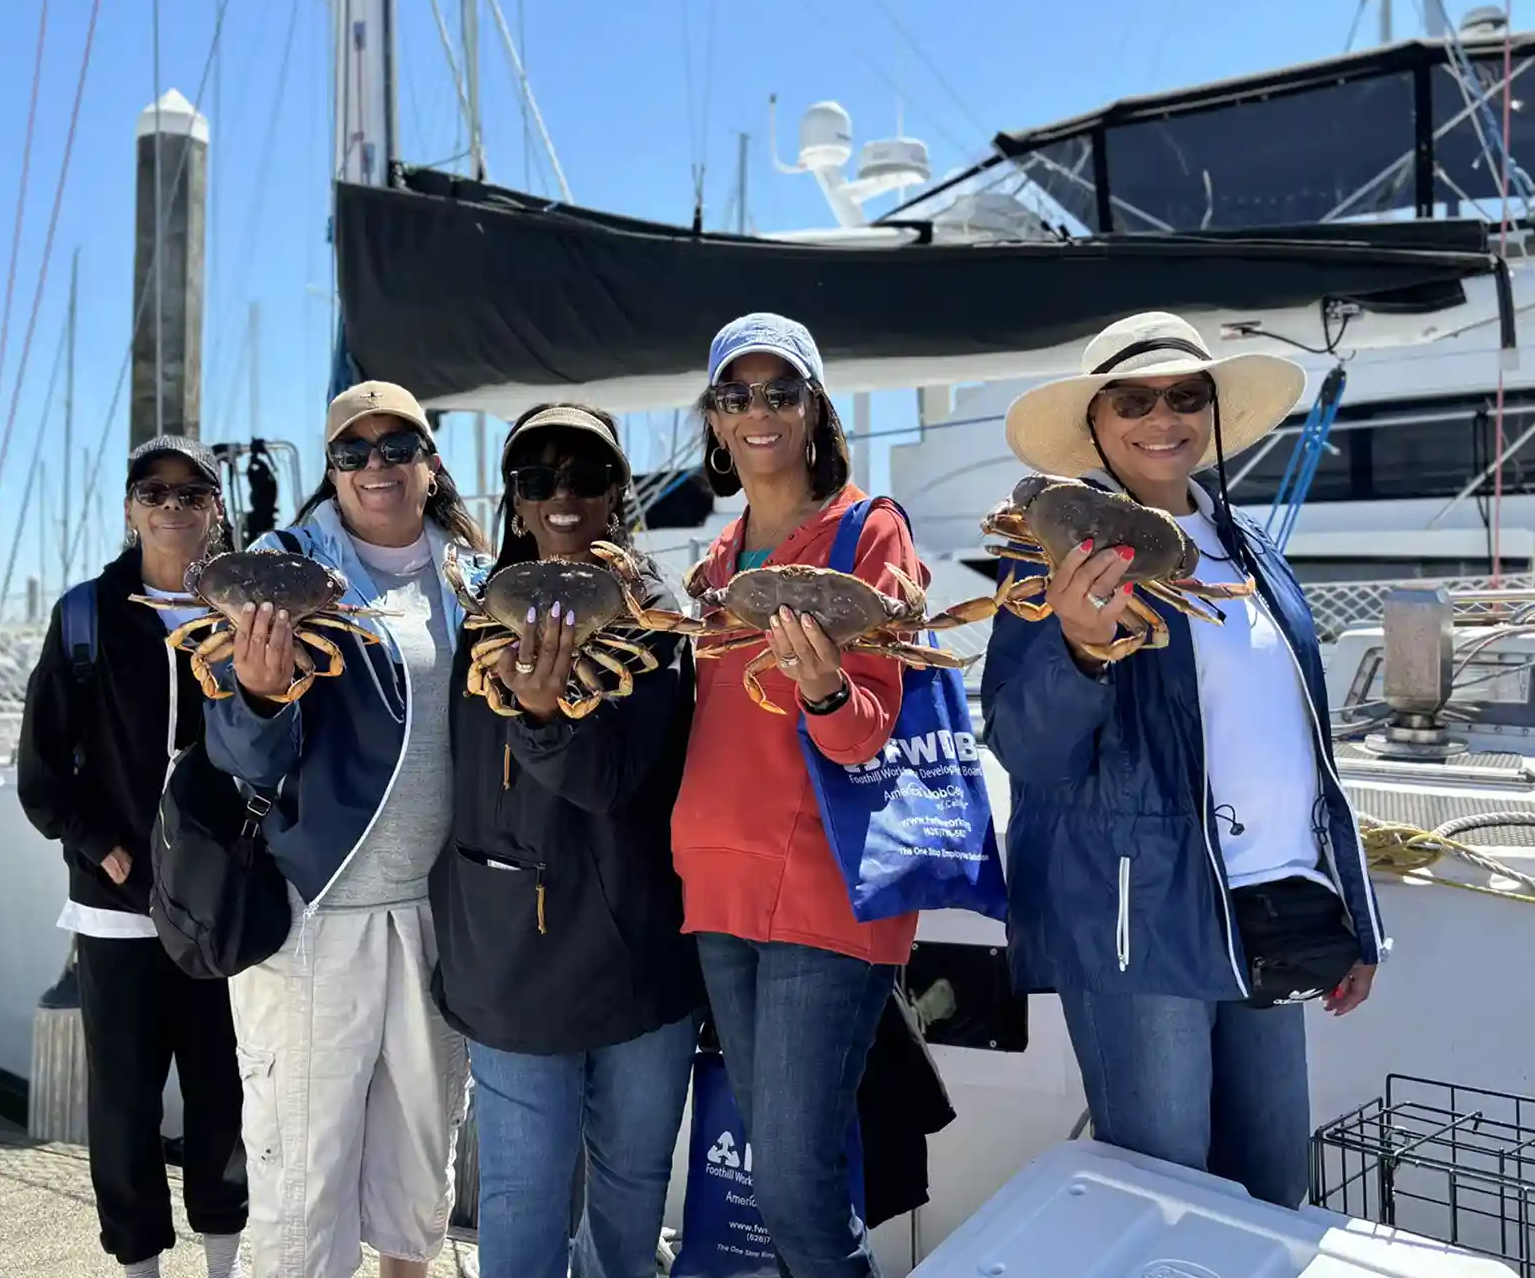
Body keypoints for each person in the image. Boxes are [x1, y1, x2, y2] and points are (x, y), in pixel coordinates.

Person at [980, 311, 1390, 1209]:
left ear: (1210, 410)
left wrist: (1351, 914)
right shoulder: (1040, 564)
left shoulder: (1258, 556)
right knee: (1168, 1204)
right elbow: (1027, 750)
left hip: (1272, 915)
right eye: (1133, 399)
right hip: (1138, 933)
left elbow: (1304, 752)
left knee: (1278, 1193)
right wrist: (1080, 649)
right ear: (1096, 422)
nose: (1161, 416)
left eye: (1184, 395)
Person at [203, 381, 490, 1278]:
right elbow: (239, 755)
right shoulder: (280, 567)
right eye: (353, 452)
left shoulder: (471, 574)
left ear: (429, 463)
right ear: (330, 471)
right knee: (302, 1186)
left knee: (418, 1179)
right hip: (311, 914)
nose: (377, 466)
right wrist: (256, 691)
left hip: (442, 917)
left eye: (396, 446)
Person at [672, 312, 926, 1278]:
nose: (759, 412)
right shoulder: (715, 561)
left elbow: (872, 731)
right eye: (736, 396)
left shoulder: (872, 530)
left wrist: (824, 687)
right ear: (716, 421)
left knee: (791, 1177)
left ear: (816, 409)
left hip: (826, 891)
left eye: (781, 391)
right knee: (775, 1170)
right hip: (719, 887)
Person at [431, 404, 702, 1278]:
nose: (563, 496)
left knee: (630, 1196)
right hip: (512, 959)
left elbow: (612, 781)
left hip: (643, 956)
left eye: (587, 477)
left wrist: (544, 715)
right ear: (513, 500)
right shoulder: (481, 613)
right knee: (520, 1198)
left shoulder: (655, 612)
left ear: (617, 494)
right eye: (538, 479)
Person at [17, 436, 247, 1278]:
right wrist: (101, 846)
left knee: (225, 1093)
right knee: (122, 1105)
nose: (173, 508)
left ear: (216, 508)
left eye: (192, 494)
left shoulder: (244, 608)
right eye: (155, 492)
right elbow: (41, 770)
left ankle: (225, 1262)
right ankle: (139, 1266)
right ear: (128, 507)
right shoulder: (85, 614)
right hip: (114, 911)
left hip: (222, 907)